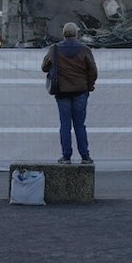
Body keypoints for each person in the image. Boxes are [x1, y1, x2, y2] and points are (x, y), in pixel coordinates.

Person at [42, 22, 98, 165]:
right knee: (80, 125)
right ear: (77, 34)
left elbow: (44, 67)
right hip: (80, 91)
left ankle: (66, 157)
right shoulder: (85, 49)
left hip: (62, 92)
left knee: (65, 125)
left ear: (63, 34)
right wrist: (89, 86)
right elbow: (93, 71)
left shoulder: (54, 49)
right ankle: (85, 156)